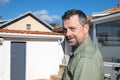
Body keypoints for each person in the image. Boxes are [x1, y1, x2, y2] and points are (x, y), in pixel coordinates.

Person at [61, 9, 104, 80]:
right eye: (65, 30)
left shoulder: (85, 59)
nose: (67, 34)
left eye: (72, 28)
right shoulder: (79, 51)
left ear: (86, 28)